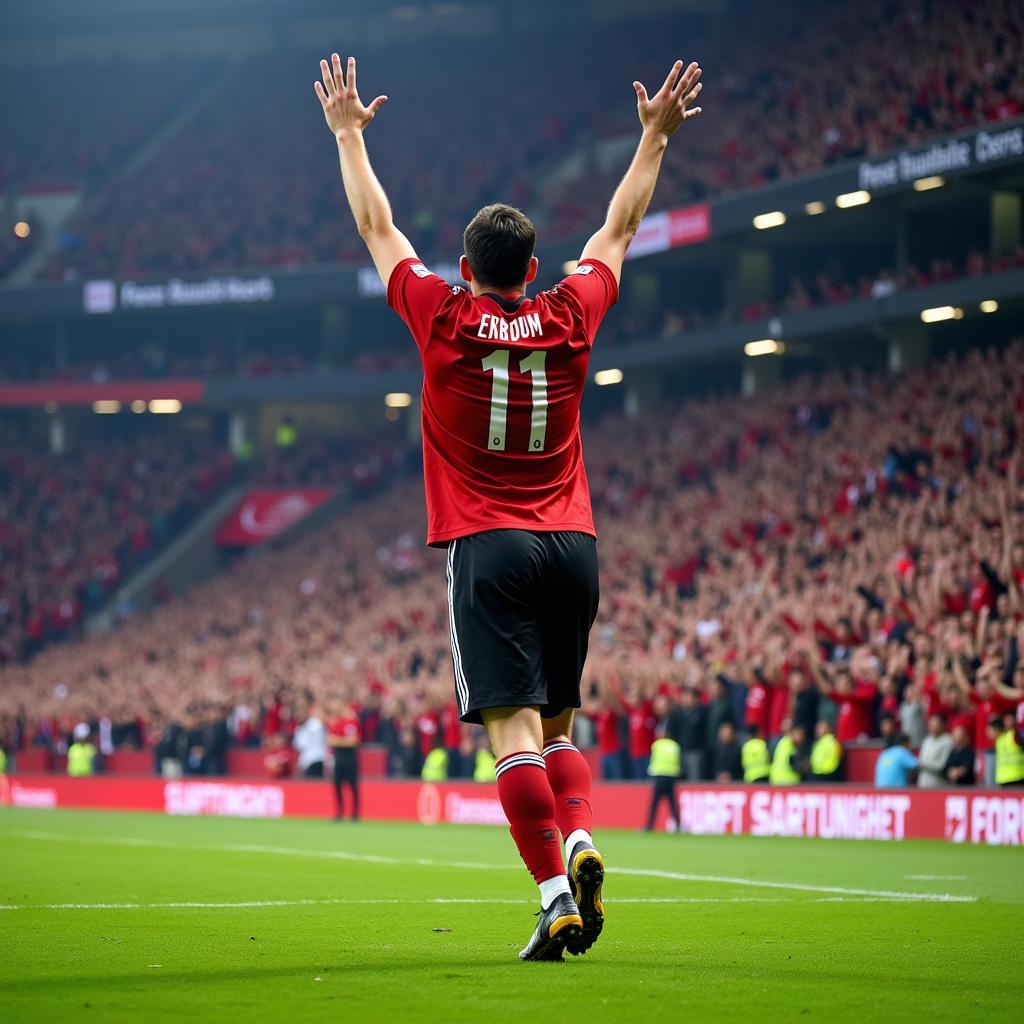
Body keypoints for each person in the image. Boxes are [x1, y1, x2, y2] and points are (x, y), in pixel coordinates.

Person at [314, 48, 703, 960]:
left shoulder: (441, 315)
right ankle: (577, 836)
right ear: (534, 266)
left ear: (465, 264)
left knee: (509, 729)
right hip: (573, 540)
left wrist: (345, 136)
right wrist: (654, 140)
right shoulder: (571, 314)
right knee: (558, 722)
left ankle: (553, 892)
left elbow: (376, 224)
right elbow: (620, 227)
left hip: (487, 544)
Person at [328, 697, 361, 821]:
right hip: (339, 756)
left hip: (349, 757)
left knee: (352, 785)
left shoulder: (350, 722)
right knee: (337, 785)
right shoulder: (337, 722)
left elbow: (353, 741)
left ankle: (355, 814)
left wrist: (336, 740)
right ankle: (339, 813)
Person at [644, 727, 681, 831]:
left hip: (659, 776)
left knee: (654, 803)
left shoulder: (657, 744)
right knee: (672, 803)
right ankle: (678, 826)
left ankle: (649, 826)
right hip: (671, 776)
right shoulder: (675, 746)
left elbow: (653, 759)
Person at [917, 714, 953, 788]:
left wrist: (922, 763)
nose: (932, 727)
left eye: (935, 725)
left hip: (937, 784)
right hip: (922, 782)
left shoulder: (948, 741)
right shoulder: (927, 739)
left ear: (943, 725)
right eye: (930, 725)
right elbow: (921, 758)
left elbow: (942, 765)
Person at [293, 700, 328, 778]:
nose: (299, 715)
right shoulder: (299, 728)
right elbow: (299, 746)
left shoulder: (314, 724)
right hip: (306, 760)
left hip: (316, 759)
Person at [992, 713, 1024, 788]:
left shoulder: (1017, 733)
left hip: (1018, 777)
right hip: (1002, 778)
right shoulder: (1000, 737)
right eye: (1006, 720)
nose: (1008, 722)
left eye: (1010, 719)